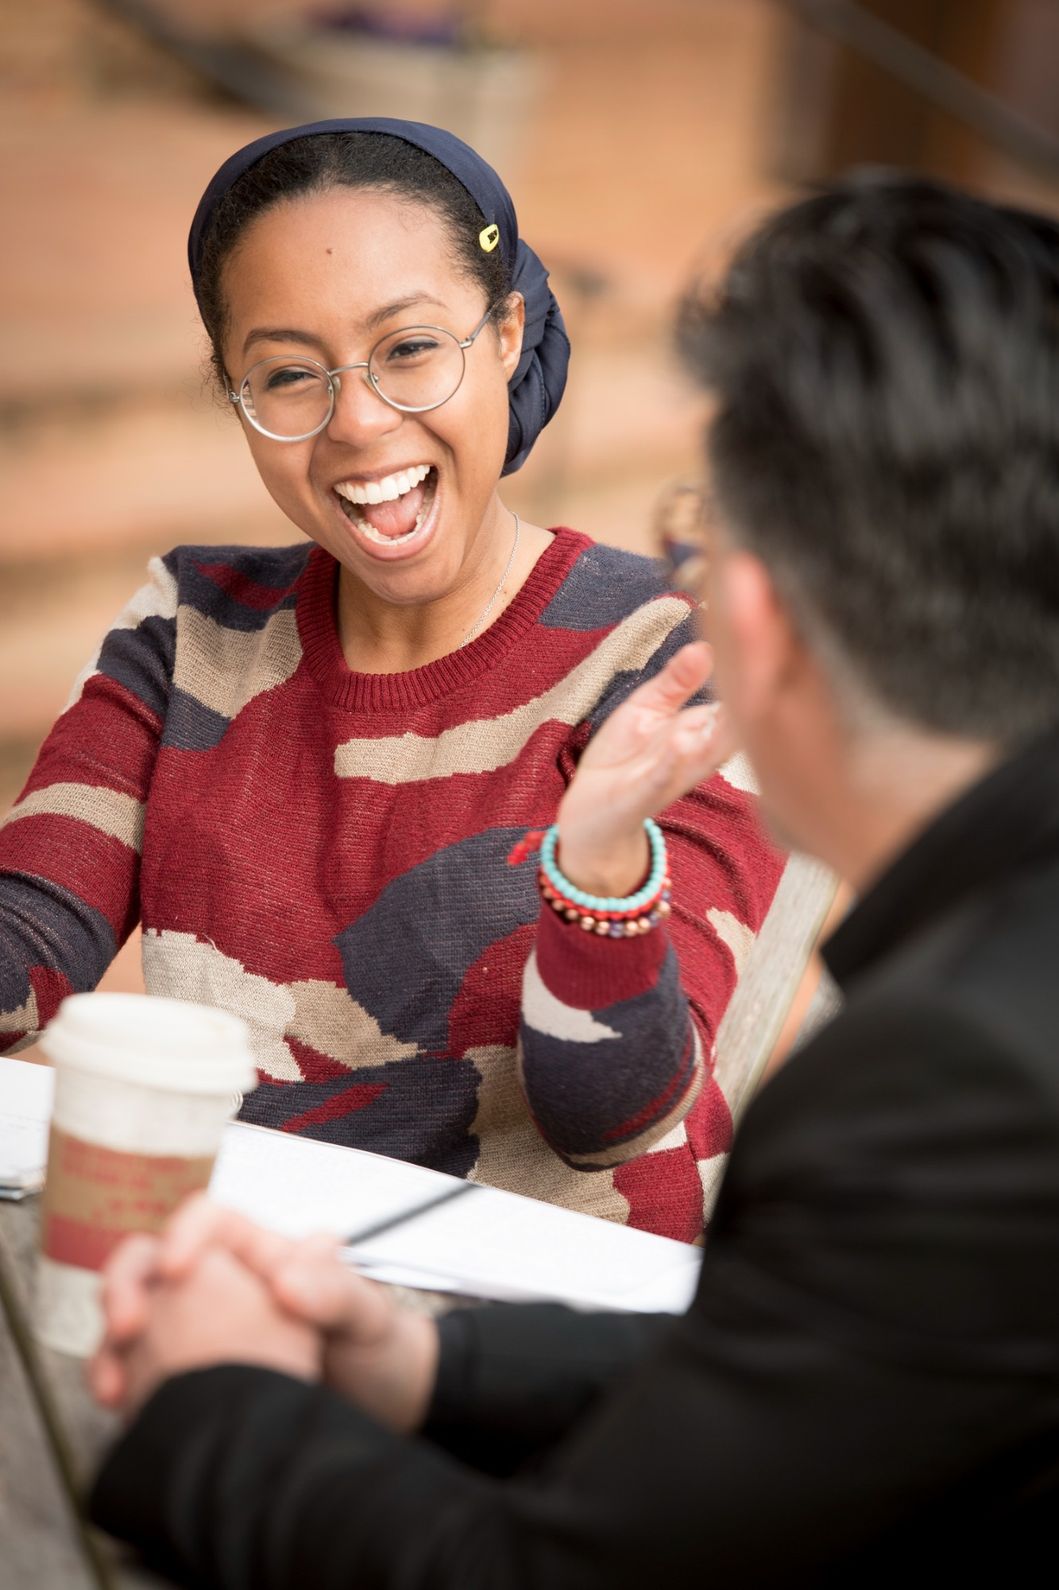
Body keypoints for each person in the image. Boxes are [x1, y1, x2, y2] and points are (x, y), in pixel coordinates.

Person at [88, 171, 1059, 1585]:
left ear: (754, 616)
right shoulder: (988, 1002)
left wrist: (206, 1402)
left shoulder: (950, 1076)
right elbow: (813, 1385)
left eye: (701, 532)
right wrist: (420, 1358)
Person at [0, 119, 784, 1239]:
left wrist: (602, 869)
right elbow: (25, 936)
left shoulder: (665, 665)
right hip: (240, 1304)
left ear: (507, 332)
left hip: (544, 1349)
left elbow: (609, 1122)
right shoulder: (190, 628)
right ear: (235, 395)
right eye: (286, 374)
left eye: (410, 349)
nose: (359, 422)